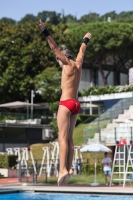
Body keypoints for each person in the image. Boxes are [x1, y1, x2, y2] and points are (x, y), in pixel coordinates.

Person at [38, 19, 91, 186]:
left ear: (62, 56)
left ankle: (62, 170)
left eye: (58, 58)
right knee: (70, 138)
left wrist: (45, 32)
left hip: (66, 103)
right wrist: (85, 40)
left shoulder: (67, 64)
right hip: (76, 104)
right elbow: (82, 50)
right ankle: (69, 168)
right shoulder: (78, 64)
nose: (57, 61)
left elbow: (54, 47)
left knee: (62, 137)